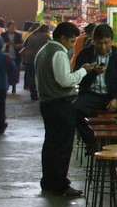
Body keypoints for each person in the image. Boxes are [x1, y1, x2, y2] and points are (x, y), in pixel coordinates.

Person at [35, 21, 99, 197]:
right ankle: (60, 184)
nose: (72, 46)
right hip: (59, 104)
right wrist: (84, 71)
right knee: (61, 146)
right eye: (71, 42)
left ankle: (49, 181)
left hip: (48, 103)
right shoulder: (58, 53)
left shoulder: (43, 51)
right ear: (63, 38)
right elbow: (66, 80)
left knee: (51, 144)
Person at [73, 23, 117, 147]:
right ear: (93, 41)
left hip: (112, 95)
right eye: (99, 43)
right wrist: (92, 73)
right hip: (91, 95)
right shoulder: (85, 54)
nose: (103, 47)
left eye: (106, 43)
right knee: (74, 109)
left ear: (112, 40)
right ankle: (91, 141)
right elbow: (78, 79)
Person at [21, 23, 50, 100]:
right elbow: (51, 45)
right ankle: (36, 94)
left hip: (28, 57)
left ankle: (32, 93)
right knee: (36, 76)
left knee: (31, 75)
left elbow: (24, 44)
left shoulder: (32, 34)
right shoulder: (45, 36)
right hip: (37, 58)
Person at [1, 20, 23, 93]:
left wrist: (19, 45)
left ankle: (14, 86)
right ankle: (6, 85)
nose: (12, 28)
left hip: (16, 55)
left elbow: (22, 44)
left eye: (13, 27)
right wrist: (5, 44)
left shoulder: (18, 35)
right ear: (7, 27)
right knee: (6, 71)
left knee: (15, 72)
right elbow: (0, 43)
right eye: (10, 27)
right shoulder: (3, 35)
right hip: (6, 55)